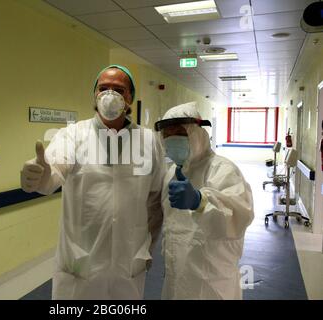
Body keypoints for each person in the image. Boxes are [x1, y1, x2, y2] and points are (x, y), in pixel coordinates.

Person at [20, 65, 165, 299]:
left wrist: (146, 247)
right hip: (80, 265)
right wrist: (41, 176)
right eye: (103, 88)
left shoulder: (149, 141)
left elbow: (156, 200)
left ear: (130, 97)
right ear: (95, 95)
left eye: (118, 89)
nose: (109, 94)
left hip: (128, 264)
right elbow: (54, 172)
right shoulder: (72, 135)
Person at [154, 101, 254, 300]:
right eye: (167, 134)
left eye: (180, 133)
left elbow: (239, 217)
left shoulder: (223, 170)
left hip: (212, 282)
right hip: (176, 277)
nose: (172, 139)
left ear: (197, 134)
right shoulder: (171, 173)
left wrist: (200, 201)